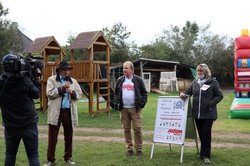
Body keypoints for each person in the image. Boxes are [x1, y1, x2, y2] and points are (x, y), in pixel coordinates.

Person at [0, 54, 41, 166]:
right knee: (33, 155)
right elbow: (36, 94)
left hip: (10, 126)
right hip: (29, 124)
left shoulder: (1, 82)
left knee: (10, 155)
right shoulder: (25, 80)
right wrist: (36, 78)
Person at [179, 63, 223, 164]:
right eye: (198, 70)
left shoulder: (213, 82)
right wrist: (183, 94)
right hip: (197, 114)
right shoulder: (195, 82)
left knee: (206, 134)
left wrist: (210, 104)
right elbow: (188, 92)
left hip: (208, 114)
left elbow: (219, 96)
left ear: (205, 72)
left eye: (201, 71)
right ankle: (204, 152)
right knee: (201, 134)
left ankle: (206, 156)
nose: (199, 72)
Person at [44, 61, 82, 166]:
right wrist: (62, 89)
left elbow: (79, 94)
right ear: (59, 71)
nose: (66, 71)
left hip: (69, 112)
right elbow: (49, 94)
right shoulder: (51, 80)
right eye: (64, 70)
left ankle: (68, 157)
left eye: (68, 69)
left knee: (69, 136)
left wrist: (72, 92)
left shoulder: (73, 81)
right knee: (52, 137)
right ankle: (50, 160)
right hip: (56, 112)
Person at [114, 61, 148, 157]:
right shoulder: (120, 80)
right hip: (123, 109)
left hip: (135, 109)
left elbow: (144, 93)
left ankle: (139, 149)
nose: (124, 70)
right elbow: (116, 93)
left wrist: (141, 105)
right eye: (123, 68)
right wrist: (117, 103)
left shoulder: (138, 80)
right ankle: (129, 149)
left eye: (126, 68)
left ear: (132, 70)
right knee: (126, 129)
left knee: (137, 129)